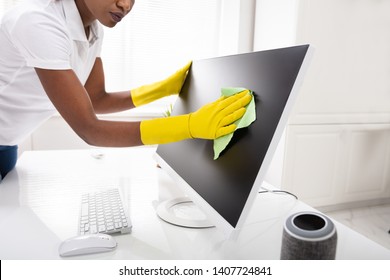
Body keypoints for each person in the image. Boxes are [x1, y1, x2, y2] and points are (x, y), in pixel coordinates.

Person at [0, 0, 251, 182]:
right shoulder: (38, 22)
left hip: (8, 144)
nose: (126, 5)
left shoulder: (94, 29)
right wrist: (189, 126)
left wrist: (160, 89)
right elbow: (90, 129)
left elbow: (96, 99)